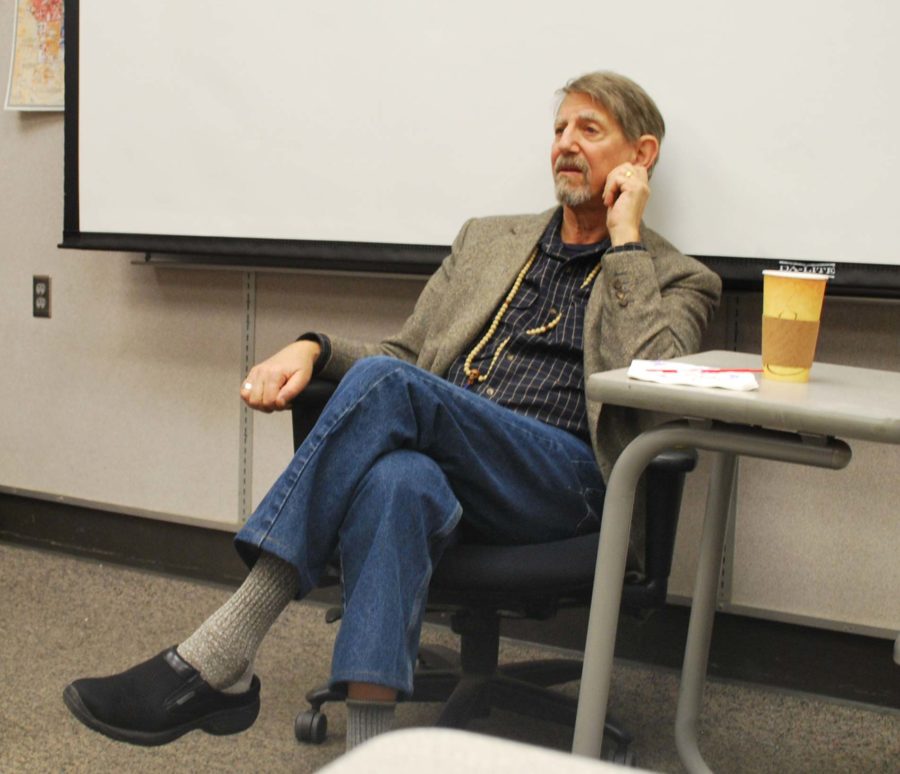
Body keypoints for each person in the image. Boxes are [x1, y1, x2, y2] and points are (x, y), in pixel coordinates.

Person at [63, 71, 721, 750]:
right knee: (396, 481)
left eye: (590, 129)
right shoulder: (488, 241)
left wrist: (626, 242)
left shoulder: (675, 275)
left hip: (567, 481)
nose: (565, 144)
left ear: (641, 156)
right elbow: (405, 354)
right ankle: (368, 751)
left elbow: (656, 379)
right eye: (559, 129)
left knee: (394, 394)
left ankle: (222, 650)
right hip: (458, 457)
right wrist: (313, 348)